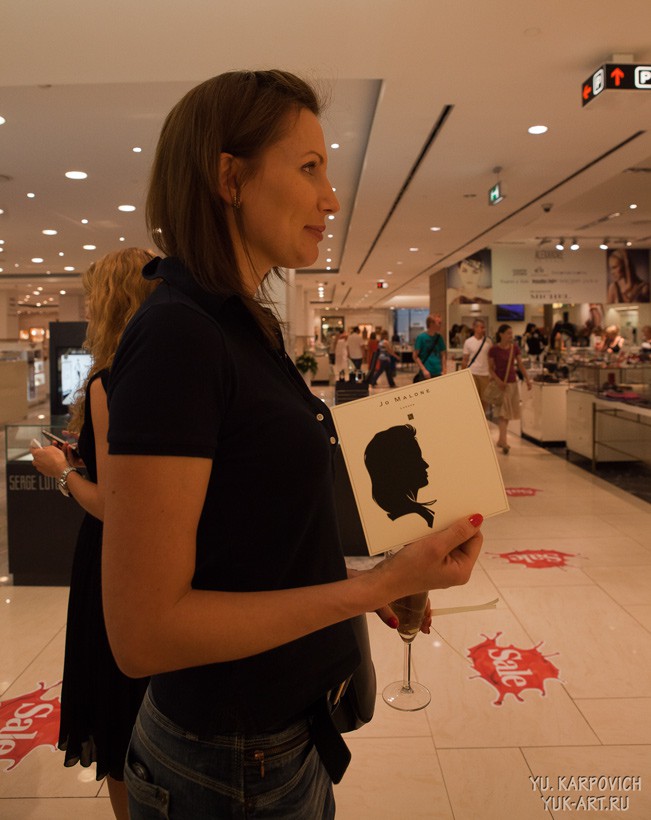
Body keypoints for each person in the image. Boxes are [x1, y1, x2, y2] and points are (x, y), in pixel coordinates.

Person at [100, 70, 484, 819]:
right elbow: (144, 633)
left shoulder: (241, 328)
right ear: (229, 177)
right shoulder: (180, 335)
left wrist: (371, 574)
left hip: (270, 745)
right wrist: (366, 589)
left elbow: (244, 549)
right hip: (228, 765)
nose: (330, 198)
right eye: (308, 168)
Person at [30, 248, 157, 820]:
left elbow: (112, 504)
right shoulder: (160, 377)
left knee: (117, 716)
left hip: (115, 562)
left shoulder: (109, 381)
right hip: (166, 560)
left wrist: (65, 475)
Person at [487, 323, 532, 454]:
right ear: (501, 334)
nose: (510, 336)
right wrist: (498, 380)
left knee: (506, 414)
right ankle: (504, 441)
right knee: (503, 413)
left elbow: (520, 365)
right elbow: (490, 368)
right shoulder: (493, 350)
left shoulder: (515, 348)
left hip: (512, 383)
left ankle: (501, 440)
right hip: (500, 385)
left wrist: (527, 379)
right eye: (508, 333)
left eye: (511, 334)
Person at [461, 319, 492, 411]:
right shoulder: (468, 342)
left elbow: (491, 359)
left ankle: (483, 416)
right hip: (472, 372)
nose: (483, 329)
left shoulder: (488, 342)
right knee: (473, 397)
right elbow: (465, 359)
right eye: (481, 327)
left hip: (485, 373)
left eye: (484, 327)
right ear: (475, 328)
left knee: (485, 398)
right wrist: (462, 374)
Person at [413, 313, 447, 380]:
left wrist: (444, 370)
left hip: (438, 372)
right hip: (426, 372)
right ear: (431, 324)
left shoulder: (439, 338)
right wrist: (424, 370)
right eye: (439, 323)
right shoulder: (421, 337)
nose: (440, 325)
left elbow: (443, 355)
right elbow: (415, 356)